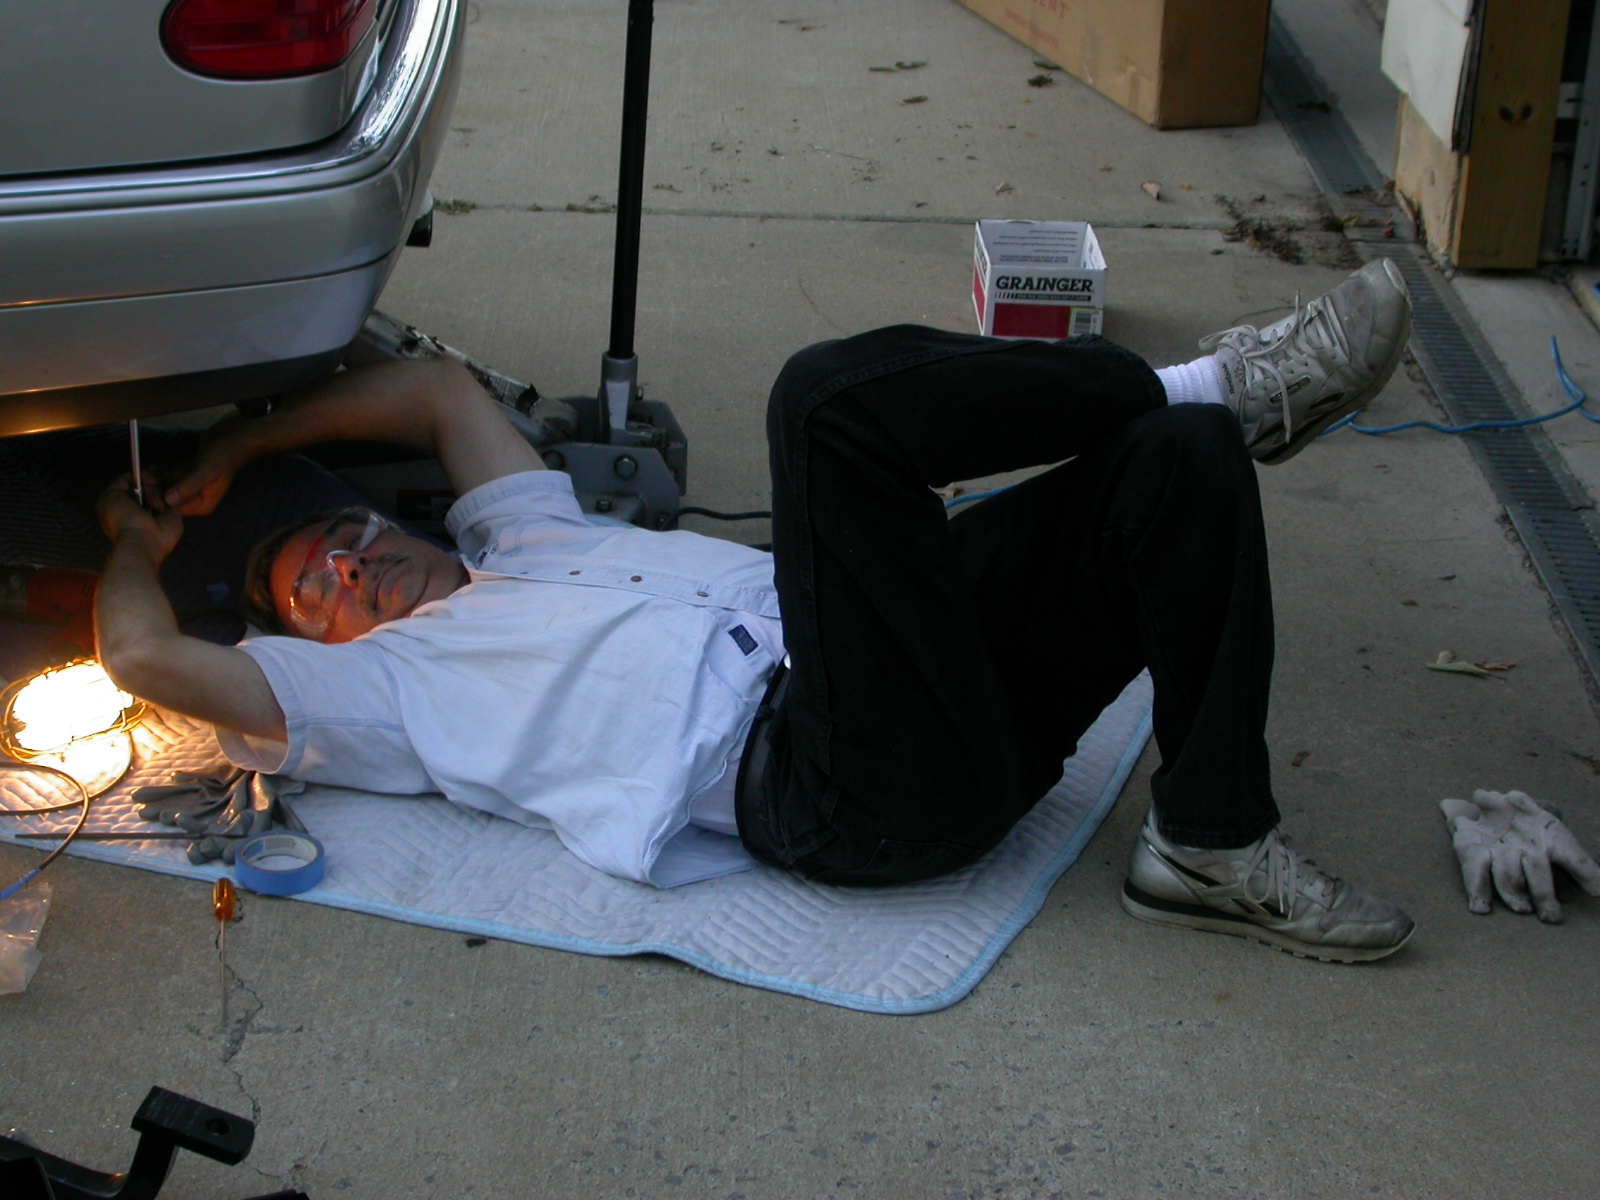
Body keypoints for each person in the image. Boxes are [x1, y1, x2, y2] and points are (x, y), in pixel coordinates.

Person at [97, 258, 1417, 960]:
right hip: (839, 781)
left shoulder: (523, 530)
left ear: (396, 524)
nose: (344, 573)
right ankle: (1213, 379)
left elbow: (437, 390)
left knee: (1178, 466)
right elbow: (145, 654)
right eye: (311, 596)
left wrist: (246, 442)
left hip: (933, 685)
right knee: (825, 407)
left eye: (343, 542)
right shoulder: (378, 690)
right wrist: (136, 542)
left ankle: (1210, 842)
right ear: (315, 647)